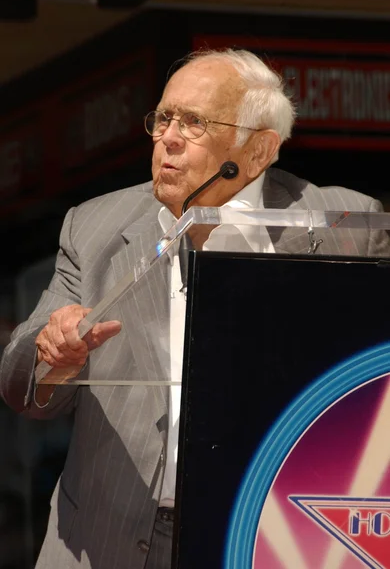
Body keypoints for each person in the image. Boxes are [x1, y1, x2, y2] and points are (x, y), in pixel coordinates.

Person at [0, 48, 388, 569]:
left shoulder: (346, 224)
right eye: (163, 118)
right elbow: (20, 380)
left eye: (195, 123)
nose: (169, 138)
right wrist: (53, 356)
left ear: (258, 151)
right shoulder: (94, 228)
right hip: (106, 537)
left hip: (268, 531)